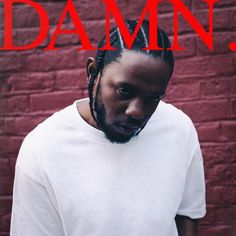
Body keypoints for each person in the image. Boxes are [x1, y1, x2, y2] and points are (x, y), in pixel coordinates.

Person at [10, 20, 206, 236]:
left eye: (153, 98)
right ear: (93, 72)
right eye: (124, 91)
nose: (137, 111)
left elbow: (186, 213)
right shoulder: (42, 148)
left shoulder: (179, 129)